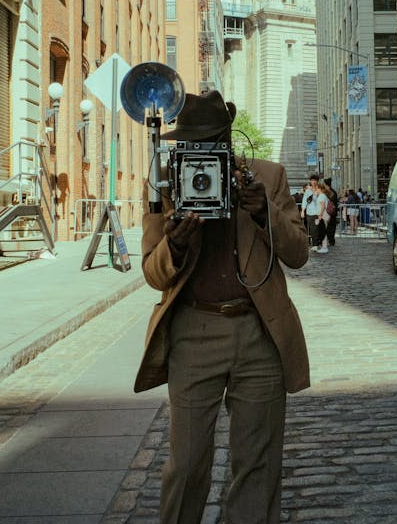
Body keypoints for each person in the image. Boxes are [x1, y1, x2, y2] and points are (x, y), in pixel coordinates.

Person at [134, 90, 310, 524]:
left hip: (258, 332)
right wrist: (174, 244)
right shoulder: (165, 181)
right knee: (187, 460)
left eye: (209, 142)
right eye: (189, 144)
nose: (199, 153)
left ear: (229, 140)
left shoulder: (267, 177)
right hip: (194, 331)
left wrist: (262, 211)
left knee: (257, 462)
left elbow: (299, 253)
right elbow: (153, 273)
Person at [300, 174, 320, 250]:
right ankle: (315, 243)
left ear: (317, 181)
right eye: (312, 180)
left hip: (317, 212)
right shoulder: (308, 191)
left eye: (315, 180)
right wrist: (302, 211)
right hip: (309, 212)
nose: (313, 182)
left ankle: (315, 244)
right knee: (312, 228)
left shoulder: (319, 190)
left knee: (315, 228)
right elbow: (304, 201)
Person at [314, 180, 330, 253]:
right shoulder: (322, 195)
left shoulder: (322, 196)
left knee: (323, 231)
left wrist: (320, 215)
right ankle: (323, 246)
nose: (316, 190)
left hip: (323, 215)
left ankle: (324, 247)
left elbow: (323, 206)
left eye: (316, 188)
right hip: (322, 215)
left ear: (319, 188)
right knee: (323, 231)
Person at [324, 177, 338, 246]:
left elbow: (330, 202)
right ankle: (331, 240)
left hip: (330, 212)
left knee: (330, 227)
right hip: (332, 212)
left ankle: (331, 240)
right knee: (331, 227)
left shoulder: (330, 192)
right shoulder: (333, 191)